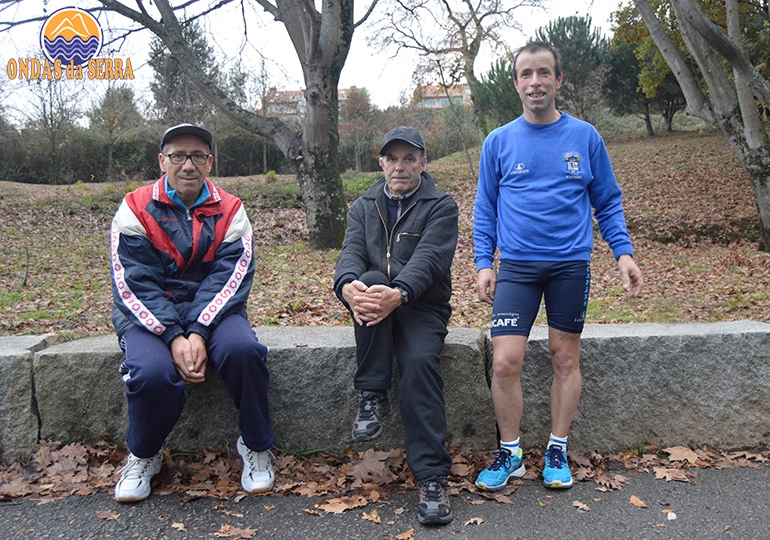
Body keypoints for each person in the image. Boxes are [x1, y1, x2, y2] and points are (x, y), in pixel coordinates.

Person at [473, 42, 644, 492]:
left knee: (564, 356)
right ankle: (509, 454)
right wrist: (482, 263)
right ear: (515, 83)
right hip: (516, 267)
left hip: (570, 264)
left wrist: (623, 254)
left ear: (558, 80)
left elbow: (607, 201)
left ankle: (556, 449)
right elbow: (484, 209)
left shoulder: (585, 137)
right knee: (506, 360)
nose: (535, 82)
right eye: (526, 74)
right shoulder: (499, 142)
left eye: (543, 73)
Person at [110, 123, 276, 502]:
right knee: (152, 373)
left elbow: (231, 277)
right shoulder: (134, 207)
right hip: (148, 317)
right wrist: (172, 334)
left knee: (244, 352)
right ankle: (144, 455)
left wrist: (199, 330)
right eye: (178, 156)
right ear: (162, 161)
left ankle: (255, 445)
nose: (188, 165)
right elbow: (134, 282)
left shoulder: (231, 210)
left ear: (209, 162)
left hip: (216, 312)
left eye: (197, 156)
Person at [333, 126, 459, 525]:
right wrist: (346, 287)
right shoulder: (363, 206)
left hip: (421, 307)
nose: (400, 166)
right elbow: (350, 252)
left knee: (419, 365)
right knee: (367, 281)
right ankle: (371, 392)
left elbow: (430, 261)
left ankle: (433, 478)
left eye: (409, 158)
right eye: (392, 159)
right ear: (382, 163)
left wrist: (401, 293)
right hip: (376, 303)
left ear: (423, 162)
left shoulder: (441, 205)